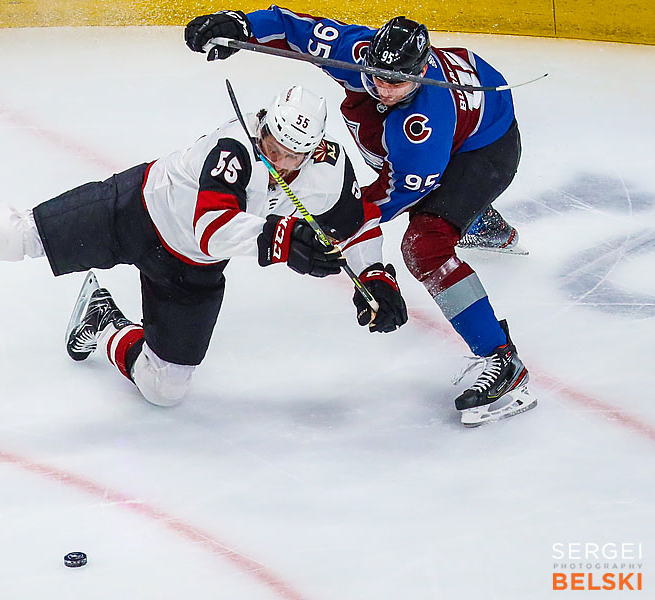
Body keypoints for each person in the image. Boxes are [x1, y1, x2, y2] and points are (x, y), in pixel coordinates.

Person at [0, 85, 407, 408]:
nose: (278, 158)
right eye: (273, 142)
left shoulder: (326, 173)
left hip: (190, 272)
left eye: (291, 154)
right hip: (133, 212)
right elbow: (211, 226)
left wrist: (376, 275)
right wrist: (283, 240)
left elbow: (356, 225)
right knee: (15, 236)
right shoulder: (232, 146)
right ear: (265, 124)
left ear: (314, 150)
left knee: (165, 388)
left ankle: (102, 321)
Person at [185, 9, 537, 426]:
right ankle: (478, 220)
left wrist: (340, 224)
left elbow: (385, 198)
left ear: (423, 73)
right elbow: (296, 30)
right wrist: (243, 26)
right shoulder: (359, 52)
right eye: (377, 76)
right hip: (472, 116)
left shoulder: (422, 130)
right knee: (372, 127)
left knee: (424, 245)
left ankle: (502, 359)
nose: (383, 88)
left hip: (486, 151)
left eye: (396, 82)